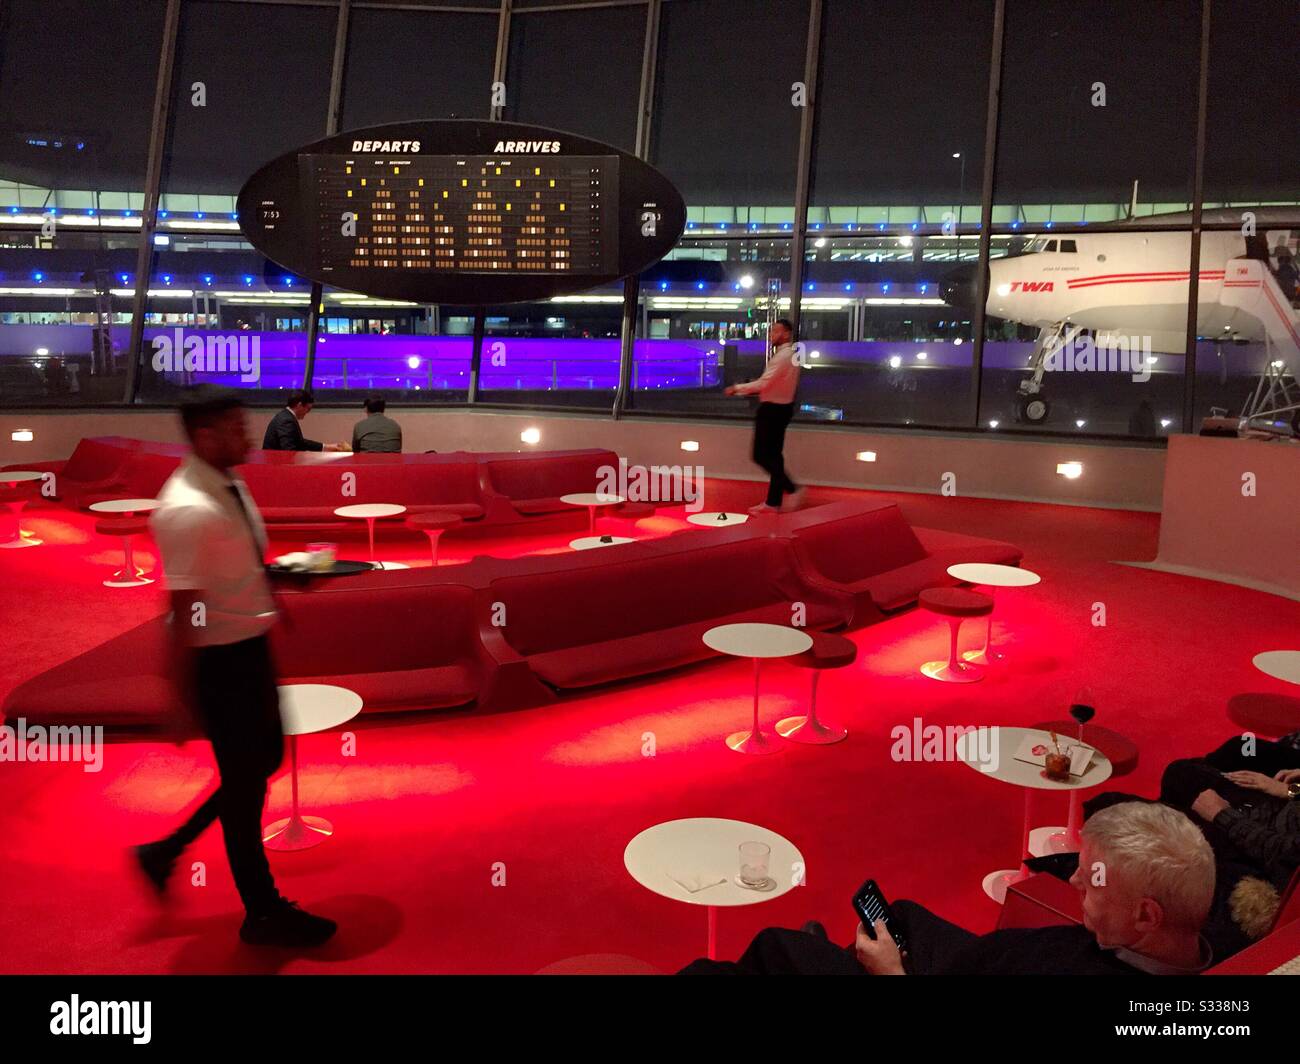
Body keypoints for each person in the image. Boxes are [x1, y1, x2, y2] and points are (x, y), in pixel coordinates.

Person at [134, 386, 337, 948]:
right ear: (203, 435)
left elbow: (239, 563)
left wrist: (283, 576)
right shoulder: (185, 509)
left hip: (250, 647)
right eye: (235, 426)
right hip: (220, 662)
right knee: (247, 788)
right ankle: (261, 910)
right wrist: (178, 696)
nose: (249, 435)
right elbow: (181, 611)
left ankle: (167, 851)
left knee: (260, 764)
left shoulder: (228, 481)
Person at [679, 802, 1215, 974]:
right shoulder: (1178, 943)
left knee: (779, 948)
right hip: (977, 962)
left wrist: (892, 972)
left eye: (1093, 879)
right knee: (903, 915)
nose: (1073, 878)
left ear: (1147, 915)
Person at [724, 317, 804, 513]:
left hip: (772, 410)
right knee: (774, 456)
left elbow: (764, 384)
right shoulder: (792, 355)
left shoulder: (783, 356)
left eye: (775, 331)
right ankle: (773, 502)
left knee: (761, 455)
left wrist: (737, 388)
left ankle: (791, 489)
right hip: (782, 409)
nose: (771, 335)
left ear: (786, 333)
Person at [261, 389, 349, 452]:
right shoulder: (287, 420)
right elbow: (289, 451)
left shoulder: (285, 416)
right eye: (308, 409)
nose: (307, 413)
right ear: (299, 405)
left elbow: (300, 442)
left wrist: (327, 447)